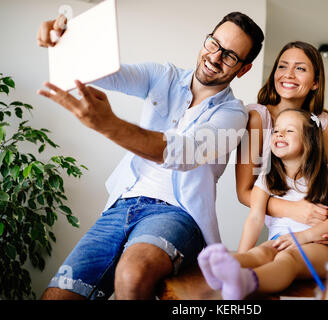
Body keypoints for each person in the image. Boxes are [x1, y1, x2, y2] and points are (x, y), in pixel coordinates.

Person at [36, 12, 264, 300]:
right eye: (213, 44)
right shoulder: (164, 76)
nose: (215, 57)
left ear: (243, 69)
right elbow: (106, 71)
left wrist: (109, 125)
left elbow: (184, 152)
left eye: (230, 56)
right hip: (121, 204)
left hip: (178, 214)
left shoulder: (233, 114)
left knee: (132, 276)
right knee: (57, 296)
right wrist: (65, 41)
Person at [199, 108, 328, 299]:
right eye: (277, 130)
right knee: (260, 253)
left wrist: (304, 236)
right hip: (281, 239)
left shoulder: (326, 174)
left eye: (289, 130)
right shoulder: (266, 176)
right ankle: (223, 267)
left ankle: (247, 282)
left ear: (309, 139)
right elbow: (254, 218)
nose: (279, 134)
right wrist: (244, 252)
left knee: (287, 258)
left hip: (320, 245)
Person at [235, 41, 328, 244]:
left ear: (315, 82)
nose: (288, 74)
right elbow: (244, 192)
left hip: (319, 228)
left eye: (300, 68)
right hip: (282, 226)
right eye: (282, 66)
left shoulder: (321, 121)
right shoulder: (257, 118)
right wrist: (295, 210)